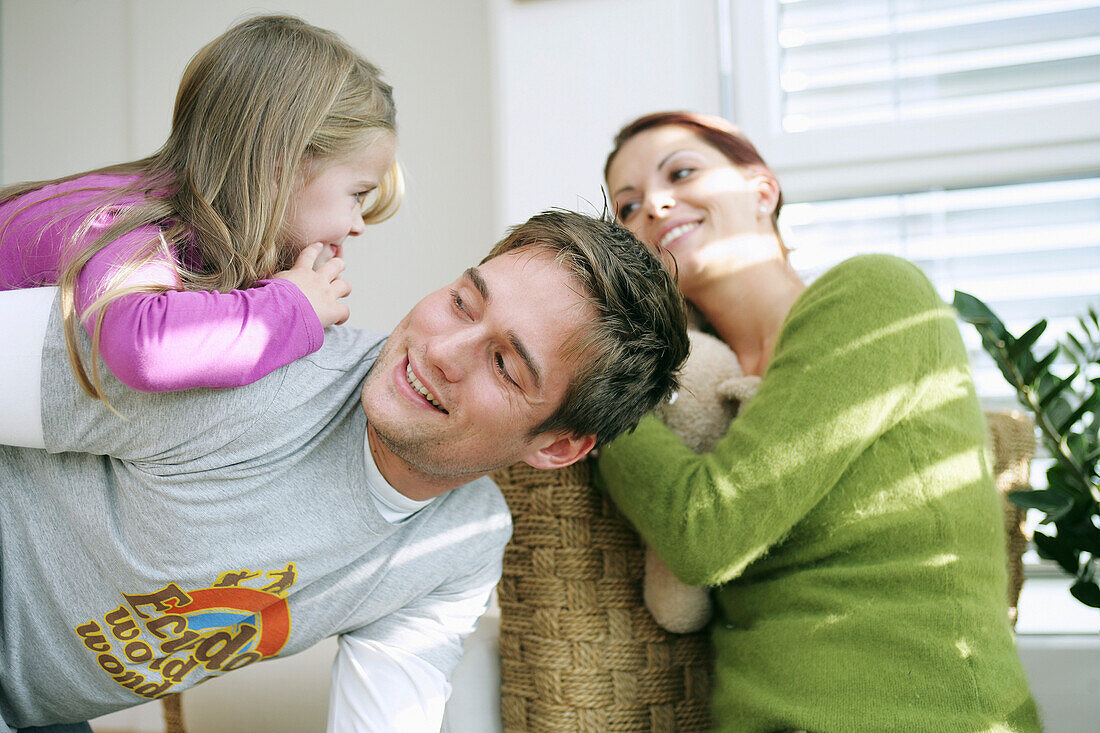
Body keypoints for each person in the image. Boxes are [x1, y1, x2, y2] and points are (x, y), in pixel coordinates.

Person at [0, 208, 689, 732]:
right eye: (462, 301)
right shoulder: (241, 359)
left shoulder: (460, 543)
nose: (445, 350)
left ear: (557, 447)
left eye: (505, 364)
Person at [595, 111, 1042, 732]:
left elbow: (706, 533)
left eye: (682, 171)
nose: (656, 204)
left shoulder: (875, 296)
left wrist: (594, 388)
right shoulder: (693, 387)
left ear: (762, 190)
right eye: (627, 206)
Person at [0, 14, 402, 398]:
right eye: (357, 195)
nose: (358, 225)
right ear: (282, 166)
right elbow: (145, 346)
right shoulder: (137, 223)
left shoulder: (183, 221)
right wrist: (291, 309)